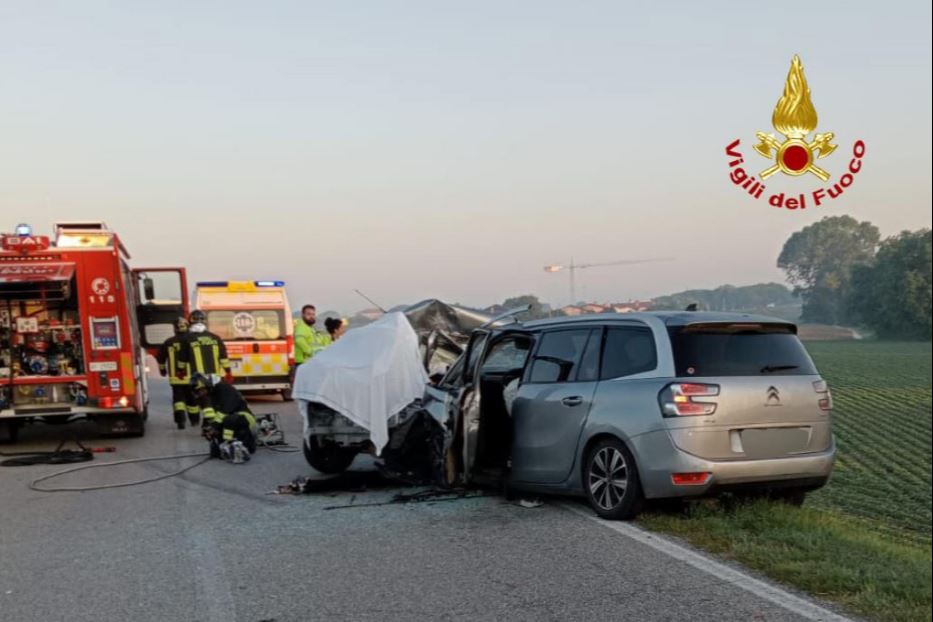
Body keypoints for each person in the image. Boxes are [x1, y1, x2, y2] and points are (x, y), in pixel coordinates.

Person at [190, 373, 257, 462]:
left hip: (245, 418)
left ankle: (244, 444)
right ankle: (227, 446)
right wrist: (210, 430)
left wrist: (214, 427)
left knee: (229, 419)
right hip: (231, 419)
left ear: (207, 385)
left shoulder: (224, 388)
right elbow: (217, 416)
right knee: (224, 424)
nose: (200, 393)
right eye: (198, 392)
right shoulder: (212, 394)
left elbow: (226, 410)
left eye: (201, 390)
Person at [185, 310, 233, 424]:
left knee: (204, 400)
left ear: (190, 322)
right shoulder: (215, 338)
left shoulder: (187, 339)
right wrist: (228, 372)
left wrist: (180, 371)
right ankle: (214, 423)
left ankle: (208, 423)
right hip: (214, 376)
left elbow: (182, 358)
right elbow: (223, 358)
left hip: (198, 377)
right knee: (214, 399)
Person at [156, 317, 195, 429]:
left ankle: (180, 421)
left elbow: (161, 358)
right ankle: (194, 420)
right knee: (191, 400)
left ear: (175, 328)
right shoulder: (193, 340)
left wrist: (162, 370)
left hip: (176, 377)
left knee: (178, 400)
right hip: (192, 376)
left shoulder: (169, 342)